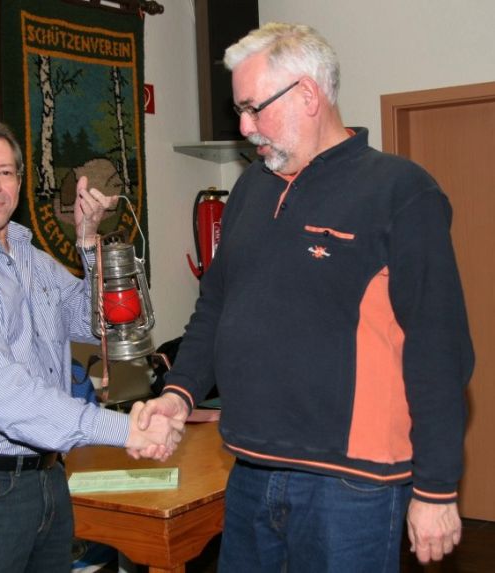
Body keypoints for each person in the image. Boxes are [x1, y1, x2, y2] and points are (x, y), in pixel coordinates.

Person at [136, 22, 474, 572]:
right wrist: (178, 395)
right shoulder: (252, 187)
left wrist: (436, 488)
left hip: (353, 482)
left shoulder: (401, 190)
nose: (244, 127)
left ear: (309, 95)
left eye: (254, 108)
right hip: (250, 468)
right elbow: (215, 307)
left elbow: (439, 348)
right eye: (239, 111)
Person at [0, 116, 183, 573]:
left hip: (47, 478)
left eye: (5, 172)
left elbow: (97, 324)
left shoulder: (32, 259)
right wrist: (127, 430)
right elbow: (8, 397)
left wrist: (88, 241)